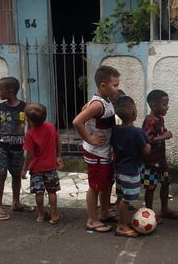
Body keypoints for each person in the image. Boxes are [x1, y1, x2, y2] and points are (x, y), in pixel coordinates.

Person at [73, 65, 120, 233]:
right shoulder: (98, 105)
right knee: (95, 186)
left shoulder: (104, 101)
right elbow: (77, 121)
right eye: (114, 85)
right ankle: (92, 220)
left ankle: (105, 211)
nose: (117, 88)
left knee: (107, 182)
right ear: (103, 86)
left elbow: (84, 111)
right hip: (96, 152)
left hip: (105, 151)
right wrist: (90, 138)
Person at [0, 77, 34, 221]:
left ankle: (16, 202)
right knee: (1, 174)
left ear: (10, 91)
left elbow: (30, 128)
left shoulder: (25, 107)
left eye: (0, 89)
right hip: (1, 147)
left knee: (16, 175)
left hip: (18, 148)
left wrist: (31, 146)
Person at [111, 96, 151, 237]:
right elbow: (146, 150)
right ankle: (121, 226)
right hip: (131, 172)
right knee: (127, 199)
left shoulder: (115, 130)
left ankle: (122, 221)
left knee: (122, 197)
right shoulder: (137, 132)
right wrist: (148, 145)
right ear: (134, 112)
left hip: (120, 169)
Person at [142, 90, 178, 223]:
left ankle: (164, 209)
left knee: (165, 182)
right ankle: (149, 212)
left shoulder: (160, 119)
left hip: (161, 161)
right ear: (153, 105)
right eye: (165, 104)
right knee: (150, 187)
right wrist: (164, 136)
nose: (167, 107)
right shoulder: (149, 121)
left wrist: (163, 134)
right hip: (151, 163)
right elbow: (146, 139)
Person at [21, 103, 62, 224]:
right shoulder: (50, 127)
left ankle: (40, 215)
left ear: (29, 120)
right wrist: (59, 156)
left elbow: (29, 154)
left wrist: (25, 169)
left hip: (36, 168)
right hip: (51, 167)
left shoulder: (30, 134)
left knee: (38, 192)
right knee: (52, 191)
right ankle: (54, 215)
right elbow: (58, 141)